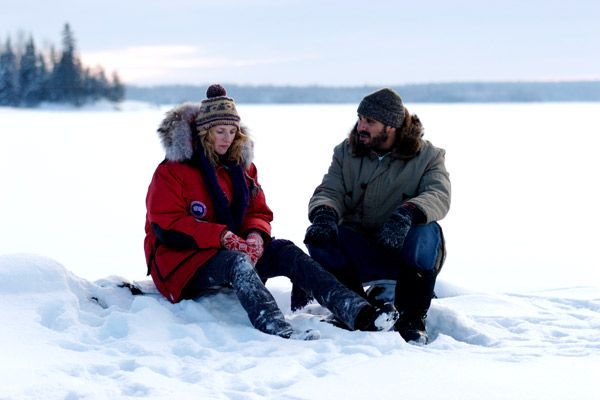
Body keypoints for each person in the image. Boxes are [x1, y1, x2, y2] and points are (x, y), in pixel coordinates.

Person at [144, 84, 399, 339]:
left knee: (286, 251)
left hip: (232, 250)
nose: (227, 138)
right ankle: (276, 326)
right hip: (182, 262)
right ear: (204, 132)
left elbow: (259, 211)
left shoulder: (242, 168)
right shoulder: (172, 171)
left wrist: (255, 234)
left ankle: (358, 312)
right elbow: (166, 224)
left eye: (232, 131)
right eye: (220, 131)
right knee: (238, 263)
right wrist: (222, 237)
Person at [304, 88, 451, 344]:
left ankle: (412, 317)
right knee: (321, 236)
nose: (361, 126)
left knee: (427, 230)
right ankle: (354, 307)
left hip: (407, 252)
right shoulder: (345, 152)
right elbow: (330, 189)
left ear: (391, 126)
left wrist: (407, 214)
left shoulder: (429, 156)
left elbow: (439, 194)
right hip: (362, 250)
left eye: (369, 122)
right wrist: (324, 212)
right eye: (360, 118)